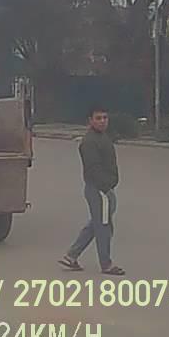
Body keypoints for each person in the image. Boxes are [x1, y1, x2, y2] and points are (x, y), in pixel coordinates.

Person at [59, 104, 125, 275]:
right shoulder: (89, 142)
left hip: (104, 189)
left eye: (105, 118)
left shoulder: (102, 137)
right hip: (99, 190)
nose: (102, 121)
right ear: (90, 121)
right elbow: (93, 169)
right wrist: (106, 186)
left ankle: (71, 256)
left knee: (96, 224)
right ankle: (106, 264)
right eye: (98, 118)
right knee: (104, 227)